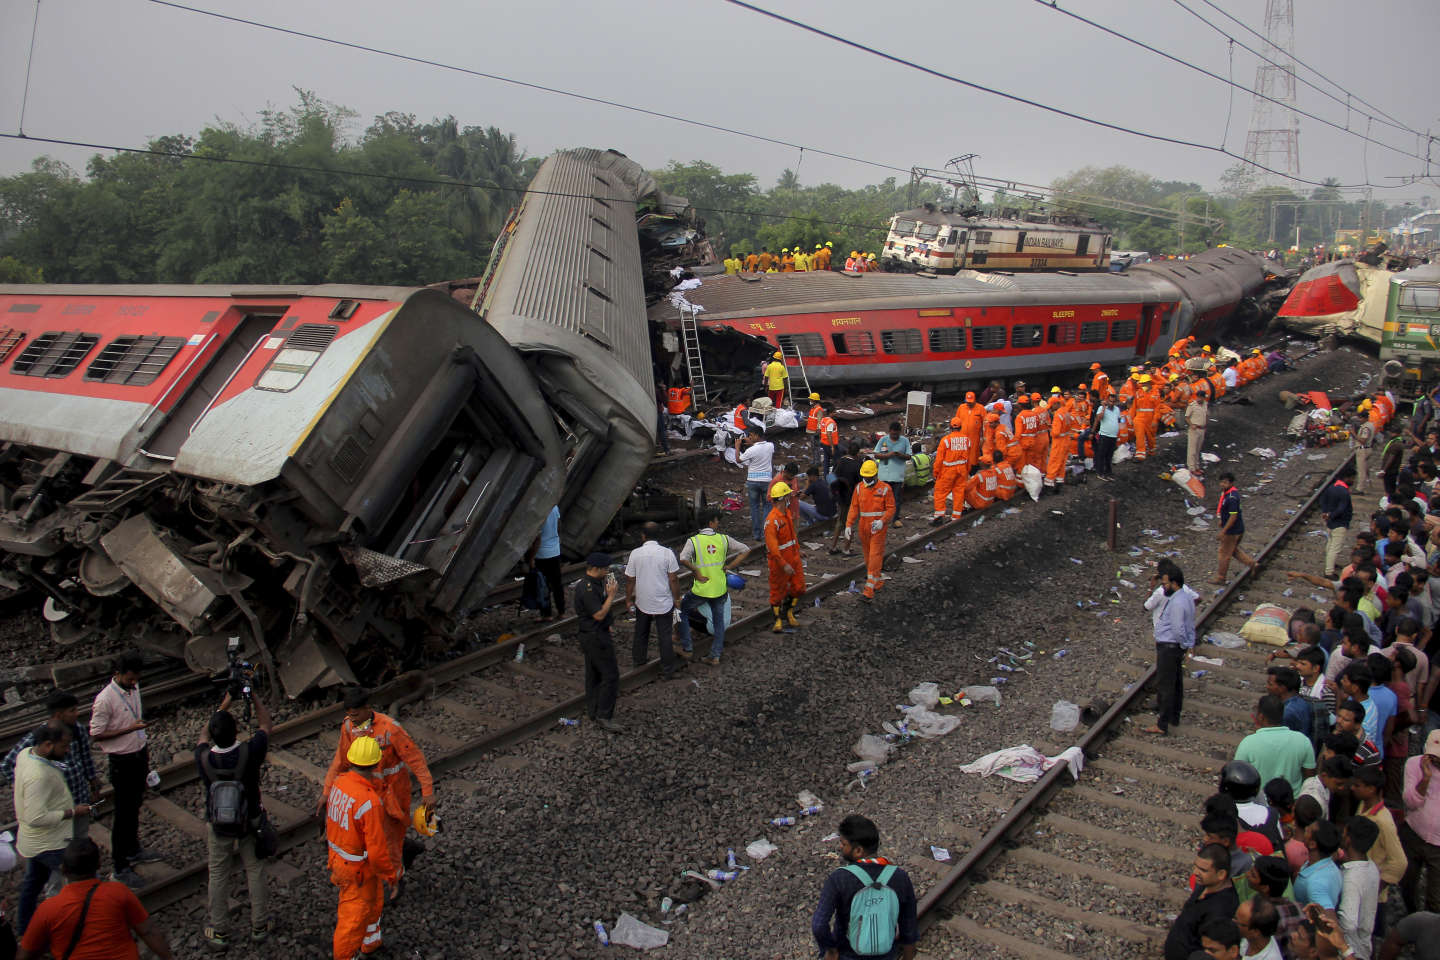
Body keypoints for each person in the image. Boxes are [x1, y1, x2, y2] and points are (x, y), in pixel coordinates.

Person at [320, 686, 435, 894]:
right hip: (365, 794)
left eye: (355, 714)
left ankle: (397, 881)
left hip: (393, 794)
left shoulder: (390, 729)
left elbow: (416, 760)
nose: (352, 719)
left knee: (390, 839)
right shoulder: (348, 728)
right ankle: (404, 852)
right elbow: (340, 761)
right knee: (371, 837)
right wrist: (327, 791)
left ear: (367, 708)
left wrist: (428, 792)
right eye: (349, 715)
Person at [196, 690, 273, 947]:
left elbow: (203, 736)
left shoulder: (204, 757)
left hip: (218, 823)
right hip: (250, 818)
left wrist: (224, 704)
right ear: (237, 730)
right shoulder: (250, 750)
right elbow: (265, 724)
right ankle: (260, 925)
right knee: (255, 868)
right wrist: (255, 697)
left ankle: (219, 930)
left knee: (218, 873)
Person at [17, 838, 174, 960]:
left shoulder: (48, 909)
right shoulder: (119, 892)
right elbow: (149, 931)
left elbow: (25, 954)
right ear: (99, 865)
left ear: (63, 869)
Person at [88, 652, 160, 886]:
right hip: (122, 760)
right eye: (130, 679)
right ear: (117, 674)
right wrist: (128, 729)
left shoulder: (133, 687)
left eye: (136, 679)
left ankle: (133, 849)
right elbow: (96, 733)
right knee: (123, 814)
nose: (134, 683)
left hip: (139, 752)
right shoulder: (105, 699)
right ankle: (120, 866)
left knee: (135, 805)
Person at [325, 736, 399, 960]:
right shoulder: (369, 802)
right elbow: (377, 850)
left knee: (374, 903)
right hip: (357, 868)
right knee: (352, 921)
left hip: (346, 860)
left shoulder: (340, 783)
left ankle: (370, 944)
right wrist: (391, 874)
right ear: (376, 764)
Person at [811, 814, 917, 960]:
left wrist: (830, 950)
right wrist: (908, 956)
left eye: (844, 844)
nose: (841, 848)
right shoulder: (900, 876)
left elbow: (819, 925)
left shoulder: (839, 878)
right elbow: (909, 926)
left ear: (858, 850)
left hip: (847, 954)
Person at [14, 725, 87, 934]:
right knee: (83, 881)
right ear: (47, 745)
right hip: (50, 843)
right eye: (64, 746)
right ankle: (75, 926)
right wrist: (71, 812)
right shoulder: (40, 775)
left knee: (33, 883)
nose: (67, 751)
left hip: (32, 842)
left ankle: (24, 927)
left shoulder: (25, 754)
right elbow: (35, 817)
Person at [1, 691, 99, 841]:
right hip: (56, 807)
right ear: (59, 715)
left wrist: (93, 782)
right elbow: (7, 764)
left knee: (79, 839)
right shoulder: (39, 737)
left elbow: (86, 758)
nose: (77, 714)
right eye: (72, 710)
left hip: (79, 799)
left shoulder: (77, 730)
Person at [677, 511, 750, 666]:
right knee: (718, 622)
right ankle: (715, 656)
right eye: (716, 521)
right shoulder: (724, 539)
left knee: (682, 611)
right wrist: (730, 566)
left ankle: (687, 648)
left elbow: (682, 558)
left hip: (702, 589)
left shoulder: (693, 541)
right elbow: (745, 550)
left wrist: (695, 571)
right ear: (710, 523)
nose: (718, 523)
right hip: (719, 589)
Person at [624, 522, 683, 679]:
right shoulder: (667, 553)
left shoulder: (635, 553)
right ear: (659, 536)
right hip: (663, 601)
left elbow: (630, 580)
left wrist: (628, 599)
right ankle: (668, 670)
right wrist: (677, 598)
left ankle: (639, 661)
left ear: (643, 536)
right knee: (665, 635)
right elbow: (673, 580)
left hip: (642, 601)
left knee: (641, 633)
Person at [1145, 562, 1196, 735]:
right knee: (1176, 683)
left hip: (1169, 647)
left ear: (1174, 583)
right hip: (1174, 647)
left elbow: (1178, 628)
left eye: (1165, 584)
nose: (1163, 587)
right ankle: (1174, 716)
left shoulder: (1177, 603)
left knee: (1166, 685)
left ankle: (1162, 724)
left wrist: (1183, 645)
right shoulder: (1185, 598)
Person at [573, 553, 622, 733]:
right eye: (606, 569)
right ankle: (604, 715)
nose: (607, 572)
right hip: (595, 637)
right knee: (610, 675)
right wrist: (611, 596)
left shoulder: (592, 584)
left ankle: (593, 710)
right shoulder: (588, 589)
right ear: (596, 569)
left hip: (593, 633)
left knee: (593, 674)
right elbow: (598, 614)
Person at [1165, 843, 1240, 960]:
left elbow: (1209, 947)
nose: (1195, 872)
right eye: (1195, 866)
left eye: (1203, 870)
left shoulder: (1221, 909)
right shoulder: (1204, 884)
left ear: (1221, 874)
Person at [1235, 694, 1317, 795]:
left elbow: (1237, 777)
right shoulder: (1303, 741)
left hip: (1259, 805)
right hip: (1291, 805)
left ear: (1260, 716)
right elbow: (1310, 780)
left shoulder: (1248, 743)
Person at [845, 460, 895, 603]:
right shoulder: (859, 488)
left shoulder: (885, 489)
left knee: (874, 557)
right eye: (864, 476)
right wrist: (848, 525)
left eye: (869, 476)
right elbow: (854, 508)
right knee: (868, 557)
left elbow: (891, 508)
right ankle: (877, 581)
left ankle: (869, 589)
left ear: (875, 475)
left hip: (877, 528)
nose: (866, 478)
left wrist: (882, 521)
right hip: (864, 527)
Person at [1337, 817, 1381, 959]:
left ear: (1348, 840)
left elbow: (1348, 923)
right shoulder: (1372, 867)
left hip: (1350, 951)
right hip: (1364, 946)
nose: (1341, 835)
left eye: (1344, 833)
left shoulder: (1352, 878)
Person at [766, 482, 806, 631]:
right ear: (782, 498)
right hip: (779, 563)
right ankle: (778, 620)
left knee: (799, 587)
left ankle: (789, 612)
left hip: (793, 558)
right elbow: (773, 548)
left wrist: (798, 549)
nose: (790, 497)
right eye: (788, 496)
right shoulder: (772, 521)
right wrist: (784, 564)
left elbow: (792, 536)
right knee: (777, 591)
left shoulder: (786, 514)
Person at [1215, 473, 1260, 584]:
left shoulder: (1232, 498)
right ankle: (1253, 564)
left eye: (1225, 482)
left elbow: (1233, 516)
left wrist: (1223, 531)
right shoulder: (1228, 494)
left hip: (1232, 531)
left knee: (1224, 554)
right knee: (1233, 550)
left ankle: (1221, 577)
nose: (1222, 484)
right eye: (1221, 482)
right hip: (1237, 529)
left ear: (1231, 483)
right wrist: (1222, 520)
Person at [524, 504, 564, 621]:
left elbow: (538, 539)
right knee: (557, 584)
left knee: (543, 585)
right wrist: (557, 539)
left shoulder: (539, 511)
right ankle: (561, 612)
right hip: (555, 552)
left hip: (542, 555)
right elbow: (559, 524)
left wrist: (531, 558)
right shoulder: (555, 507)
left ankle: (547, 615)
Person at [737, 426, 776, 542]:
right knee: (767, 507)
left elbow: (739, 460)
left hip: (753, 482)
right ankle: (766, 533)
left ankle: (757, 534)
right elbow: (763, 451)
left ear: (757, 435)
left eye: (751, 435)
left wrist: (737, 447)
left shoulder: (751, 450)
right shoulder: (770, 446)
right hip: (766, 481)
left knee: (754, 508)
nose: (749, 438)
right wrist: (753, 444)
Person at [1296, 820, 1345, 910]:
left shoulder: (1316, 883)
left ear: (1312, 844)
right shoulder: (1326, 863)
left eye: (1308, 831)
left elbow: (1328, 918)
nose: (1305, 828)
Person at [932, 416, 971, 525]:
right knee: (959, 493)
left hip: (948, 471)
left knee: (940, 492)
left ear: (950, 427)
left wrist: (936, 472)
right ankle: (956, 516)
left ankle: (939, 516)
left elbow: (939, 459)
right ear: (961, 427)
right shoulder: (966, 440)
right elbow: (968, 457)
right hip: (962, 470)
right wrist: (967, 470)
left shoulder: (946, 440)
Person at [872, 422, 911, 526]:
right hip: (884, 476)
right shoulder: (883, 440)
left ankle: (895, 519)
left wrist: (899, 455)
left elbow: (909, 456)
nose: (895, 436)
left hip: (897, 476)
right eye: (893, 434)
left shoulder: (905, 441)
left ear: (900, 432)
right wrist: (888, 455)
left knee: (896, 499)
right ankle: (881, 518)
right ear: (889, 431)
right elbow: (876, 454)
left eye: (897, 434)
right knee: (881, 498)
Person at [1321, 467, 1357, 578]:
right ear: (1347, 478)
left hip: (1330, 522)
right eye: (1352, 478)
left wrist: (1326, 514)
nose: (1353, 481)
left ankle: (1330, 563)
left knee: (1330, 543)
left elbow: (1323, 501)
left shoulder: (1331, 487)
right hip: (1340, 523)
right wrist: (1331, 515)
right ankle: (1329, 571)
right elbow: (1342, 508)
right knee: (1335, 548)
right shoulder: (1344, 492)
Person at [1235, 895, 1284, 960]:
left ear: (1255, 932)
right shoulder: (1250, 938)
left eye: (1238, 923)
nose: (1233, 923)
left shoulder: (1270, 958)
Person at [1092, 392, 1120, 480]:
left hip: (1113, 436)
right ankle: (1100, 472)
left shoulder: (1117, 409)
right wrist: (1104, 408)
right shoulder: (1101, 408)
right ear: (1107, 400)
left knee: (1109, 455)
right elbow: (1099, 418)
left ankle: (1108, 472)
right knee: (1102, 454)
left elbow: (1118, 420)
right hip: (1104, 435)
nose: (1111, 403)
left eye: (1113, 402)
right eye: (1110, 401)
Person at [1186, 375, 1210, 476]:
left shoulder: (1205, 404)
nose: (1199, 399)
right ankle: (1192, 467)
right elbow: (1187, 417)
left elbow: (1207, 415)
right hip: (1194, 429)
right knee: (1192, 449)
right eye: (1198, 397)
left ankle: (1197, 466)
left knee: (1198, 449)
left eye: (1201, 397)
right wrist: (1191, 425)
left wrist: (1206, 425)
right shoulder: (1192, 405)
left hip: (1202, 429)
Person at [818, 407, 840, 476]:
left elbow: (820, 430)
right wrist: (832, 447)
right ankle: (833, 475)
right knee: (836, 461)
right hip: (830, 444)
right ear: (831, 413)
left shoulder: (823, 420)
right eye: (834, 412)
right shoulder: (830, 422)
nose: (835, 413)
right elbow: (829, 434)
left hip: (823, 443)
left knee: (826, 461)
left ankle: (825, 476)